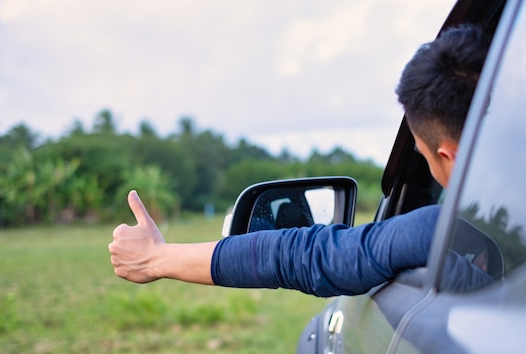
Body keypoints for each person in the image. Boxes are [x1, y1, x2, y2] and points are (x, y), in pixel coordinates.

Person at [109, 23, 492, 297]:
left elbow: (299, 256)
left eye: (427, 161)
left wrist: (155, 259)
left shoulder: (434, 232)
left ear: (450, 156)